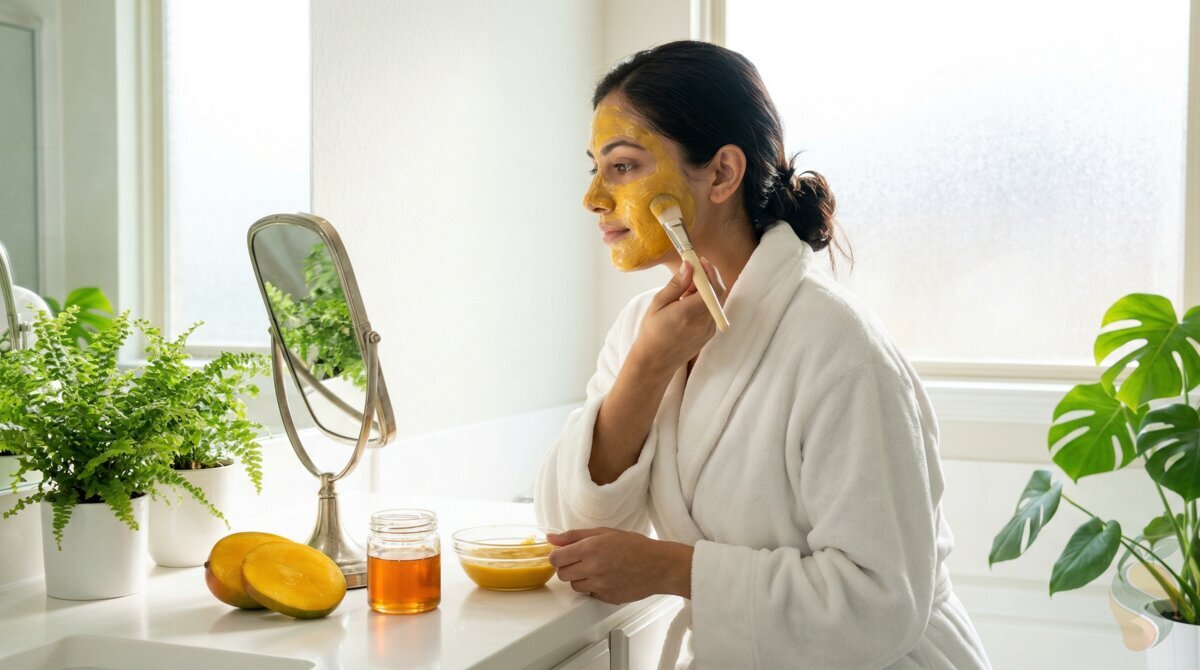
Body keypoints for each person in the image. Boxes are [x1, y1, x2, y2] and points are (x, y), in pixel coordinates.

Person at [534, 41, 991, 669]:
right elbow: (571, 531)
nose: (593, 198)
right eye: (594, 169)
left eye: (623, 167)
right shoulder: (645, 328)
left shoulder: (838, 346)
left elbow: (883, 603)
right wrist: (647, 366)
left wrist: (674, 569)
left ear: (722, 173)